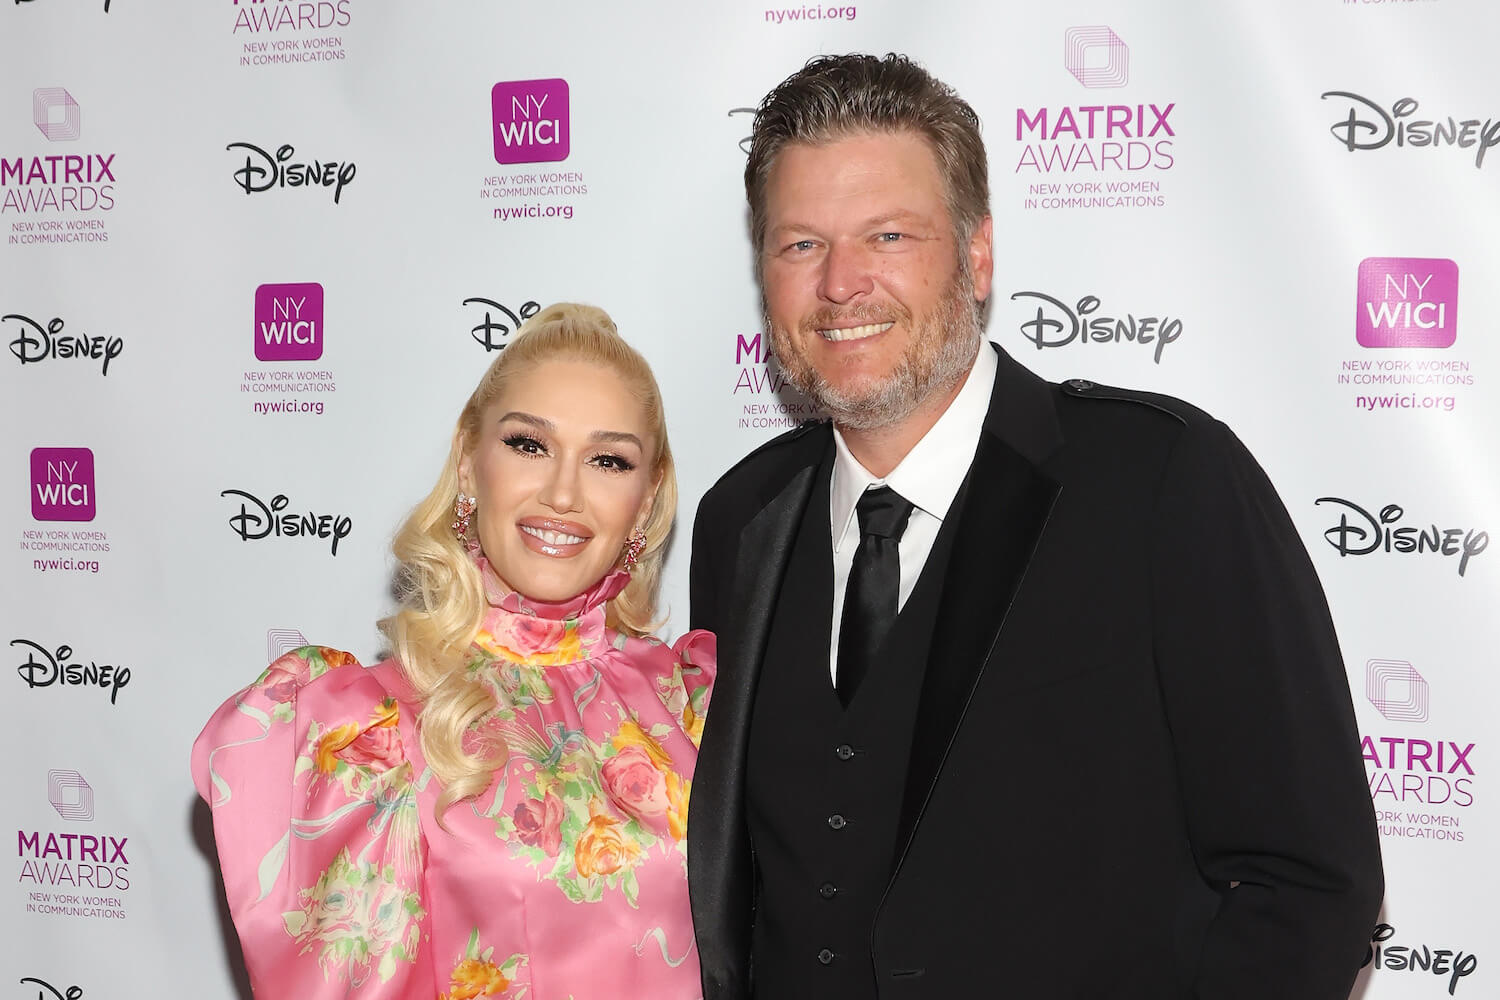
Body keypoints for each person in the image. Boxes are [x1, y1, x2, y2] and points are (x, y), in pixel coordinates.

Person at [687, 54, 1382, 999]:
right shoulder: (740, 519)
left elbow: (1308, 882)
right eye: (800, 244)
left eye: (888, 235)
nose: (842, 283)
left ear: (976, 255)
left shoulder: (1163, 479)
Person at [194, 303, 713, 1000]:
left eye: (607, 460)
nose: (563, 492)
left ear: (645, 502)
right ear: (469, 465)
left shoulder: (695, 705)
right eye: (529, 445)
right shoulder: (362, 728)